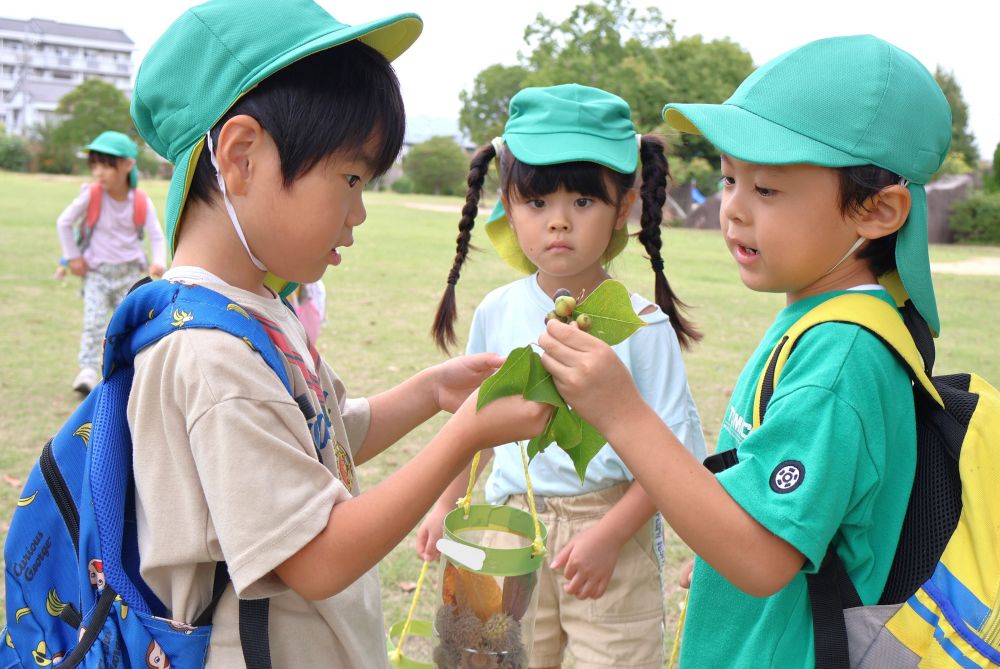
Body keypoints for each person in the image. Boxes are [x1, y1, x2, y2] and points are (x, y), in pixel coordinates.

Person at [126, 1, 548, 667]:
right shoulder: (212, 354)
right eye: (350, 177)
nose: (359, 211)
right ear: (242, 156)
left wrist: (429, 391)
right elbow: (318, 558)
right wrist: (463, 435)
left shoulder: (251, 309)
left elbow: (319, 439)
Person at [537, 35, 953, 667]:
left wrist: (619, 412)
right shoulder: (827, 318)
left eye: (768, 190)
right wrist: (715, 550)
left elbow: (760, 558)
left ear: (877, 210)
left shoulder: (840, 357)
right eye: (731, 179)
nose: (732, 209)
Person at [418, 83, 707, 669]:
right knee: (500, 657)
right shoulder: (497, 311)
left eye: (582, 203)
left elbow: (670, 454)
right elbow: (475, 428)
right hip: (505, 529)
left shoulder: (644, 326)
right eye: (537, 203)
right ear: (508, 204)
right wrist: (441, 504)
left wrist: (607, 535)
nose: (558, 223)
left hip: (610, 535)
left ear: (623, 206)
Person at [55, 130, 166, 394]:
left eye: (106, 165)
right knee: (93, 322)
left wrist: (159, 262)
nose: (99, 172)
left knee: (131, 327)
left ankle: (130, 371)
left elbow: (156, 235)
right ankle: (87, 371)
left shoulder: (140, 200)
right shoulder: (92, 195)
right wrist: (73, 257)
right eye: (94, 165)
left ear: (128, 165)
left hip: (130, 275)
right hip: (97, 274)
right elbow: (64, 222)